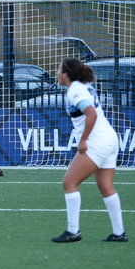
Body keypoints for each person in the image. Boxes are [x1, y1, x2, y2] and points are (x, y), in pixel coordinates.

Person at [50, 58, 126, 243]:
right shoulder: (83, 86)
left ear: (66, 74)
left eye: (59, 70)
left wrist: (83, 139)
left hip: (96, 141)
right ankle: (119, 233)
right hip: (109, 139)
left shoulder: (75, 89)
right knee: (106, 187)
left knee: (69, 182)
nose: (57, 74)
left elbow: (90, 113)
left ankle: (73, 231)